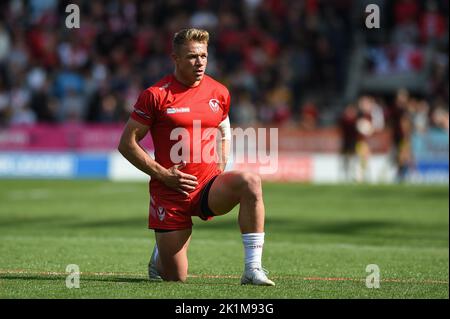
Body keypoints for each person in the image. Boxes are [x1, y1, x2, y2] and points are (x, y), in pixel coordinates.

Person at [118, 28, 275, 286]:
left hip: (208, 187)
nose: (200, 62)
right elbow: (127, 143)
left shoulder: (219, 91)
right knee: (176, 279)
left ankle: (253, 268)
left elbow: (224, 129)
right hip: (169, 192)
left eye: (203, 56)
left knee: (251, 182)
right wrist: (163, 175)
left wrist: (222, 163)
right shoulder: (156, 95)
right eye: (192, 56)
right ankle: (160, 254)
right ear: (175, 58)